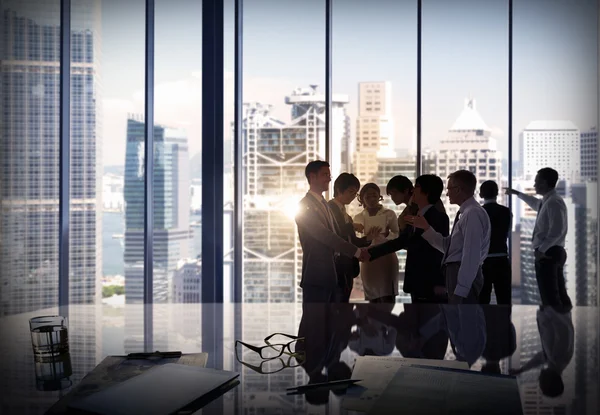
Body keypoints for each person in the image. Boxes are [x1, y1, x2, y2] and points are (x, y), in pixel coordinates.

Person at [405, 169, 491, 304]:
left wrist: (461, 289)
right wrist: (426, 228)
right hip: (457, 273)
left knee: (464, 319)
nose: (446, 193)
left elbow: (471, 256)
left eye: (449, 189)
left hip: (460, 274)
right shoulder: (467, 213)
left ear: (458, 190)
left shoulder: (472, 214)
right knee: (459, 319)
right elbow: (448, 247)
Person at [295, 161, 370, 304]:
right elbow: (326, 236)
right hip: (317, 275)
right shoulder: (305, 206)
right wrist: (357, 252)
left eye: (329, 175)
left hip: (330, 275)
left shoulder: (324, 205)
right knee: (313, 322)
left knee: (327, 322)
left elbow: (336, 234)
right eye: (324, 174)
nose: (329, 179)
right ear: (312, 177)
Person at [368, 174, 450, 303]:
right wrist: (370, 253)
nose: (413, 190)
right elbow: (405, 241)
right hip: (417, 282)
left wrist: (440, 282)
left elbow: (439, 250)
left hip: (430, 284)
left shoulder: (436, 216)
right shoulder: (414, 216)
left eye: (416, 186)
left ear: (426, 192)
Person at [504, 168, 571, 312]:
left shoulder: (554, 202)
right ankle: (561, 325)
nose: (534, 184)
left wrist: (541, 250)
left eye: (537, 181)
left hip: (549, 253)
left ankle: (556, 326)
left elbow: (556, 231)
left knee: (550, 295)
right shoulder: (548, 201)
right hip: (551, 252)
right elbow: (536, 204)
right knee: (555, 292)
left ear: (545, 183)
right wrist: (517, 194)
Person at [328, 173, 378, 302]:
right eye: (351, 192)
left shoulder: (345, 214)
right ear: (339, 190)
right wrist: (352, 227)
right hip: (338, 268)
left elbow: (352, 241)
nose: (353, 197)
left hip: (347, 268)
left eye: (355, 193)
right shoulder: (330, 210)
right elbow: (335, 237)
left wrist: (368, 238)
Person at [509, 305, 574, 398]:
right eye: (541, 383)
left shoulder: (553, 362)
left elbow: (539, 359)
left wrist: (521, 370)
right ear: (549, 382)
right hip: (553, 305)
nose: (539, 379)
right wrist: (549, 309)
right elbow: (564, 329)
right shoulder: (560, 357)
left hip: (550, 307)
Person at [353, 183, 399, 303]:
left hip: (387, 257)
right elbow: (355, 241)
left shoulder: (389, 214)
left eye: (374, 195)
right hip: (369, 259)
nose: (372, 199)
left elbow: (398, 235)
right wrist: (367, 237)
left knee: (388, 297)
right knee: (373, 298)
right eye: (368, 197)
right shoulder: (358, 218)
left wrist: (386, 235)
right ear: (362, 198)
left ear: (379, 196)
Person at [479, 180, 512, 305]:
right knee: (504, 300)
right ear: (497, 193)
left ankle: (483, 324)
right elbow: (507, 232)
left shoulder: (479, 212)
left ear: (481, 194)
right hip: (502, 259)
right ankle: (504, 324)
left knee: (482, 299)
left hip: (484, 261)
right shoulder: (506, 211)